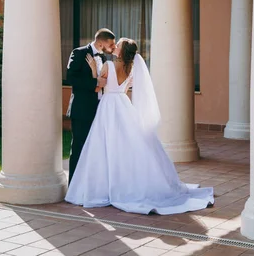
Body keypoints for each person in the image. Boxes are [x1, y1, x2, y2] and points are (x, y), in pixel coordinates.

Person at [65, 38, 214, 215]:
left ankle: (108, 185)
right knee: (128, 145)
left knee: (106, 146)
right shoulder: (132, 69)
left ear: (121, 51)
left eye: (118, 45)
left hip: (108, 106)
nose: (115, 47)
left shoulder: (109, 66)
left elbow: (99, 88)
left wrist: (92, 71)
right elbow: (125, 89)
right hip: (123, 104)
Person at [66, 28, 116, 183]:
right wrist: (95, 82)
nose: (113, 47)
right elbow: (71, 78)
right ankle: (73, 185)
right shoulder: (79, 53)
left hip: (100, 109)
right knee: (79, 147)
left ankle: (90, 185)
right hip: (82, 109)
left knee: (96, 149)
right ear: (101, 42)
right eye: (111, 44)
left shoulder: (103, 58)